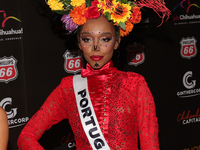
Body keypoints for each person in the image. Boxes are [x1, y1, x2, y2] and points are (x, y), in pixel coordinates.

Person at [17, 0, 170, 149]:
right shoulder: (68, 88)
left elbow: (150, 145)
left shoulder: (135, 84)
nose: (95, 47)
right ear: (79, 42)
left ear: (117, 41)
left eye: (105, 39)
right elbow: (26, 137)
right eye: (87, 39)